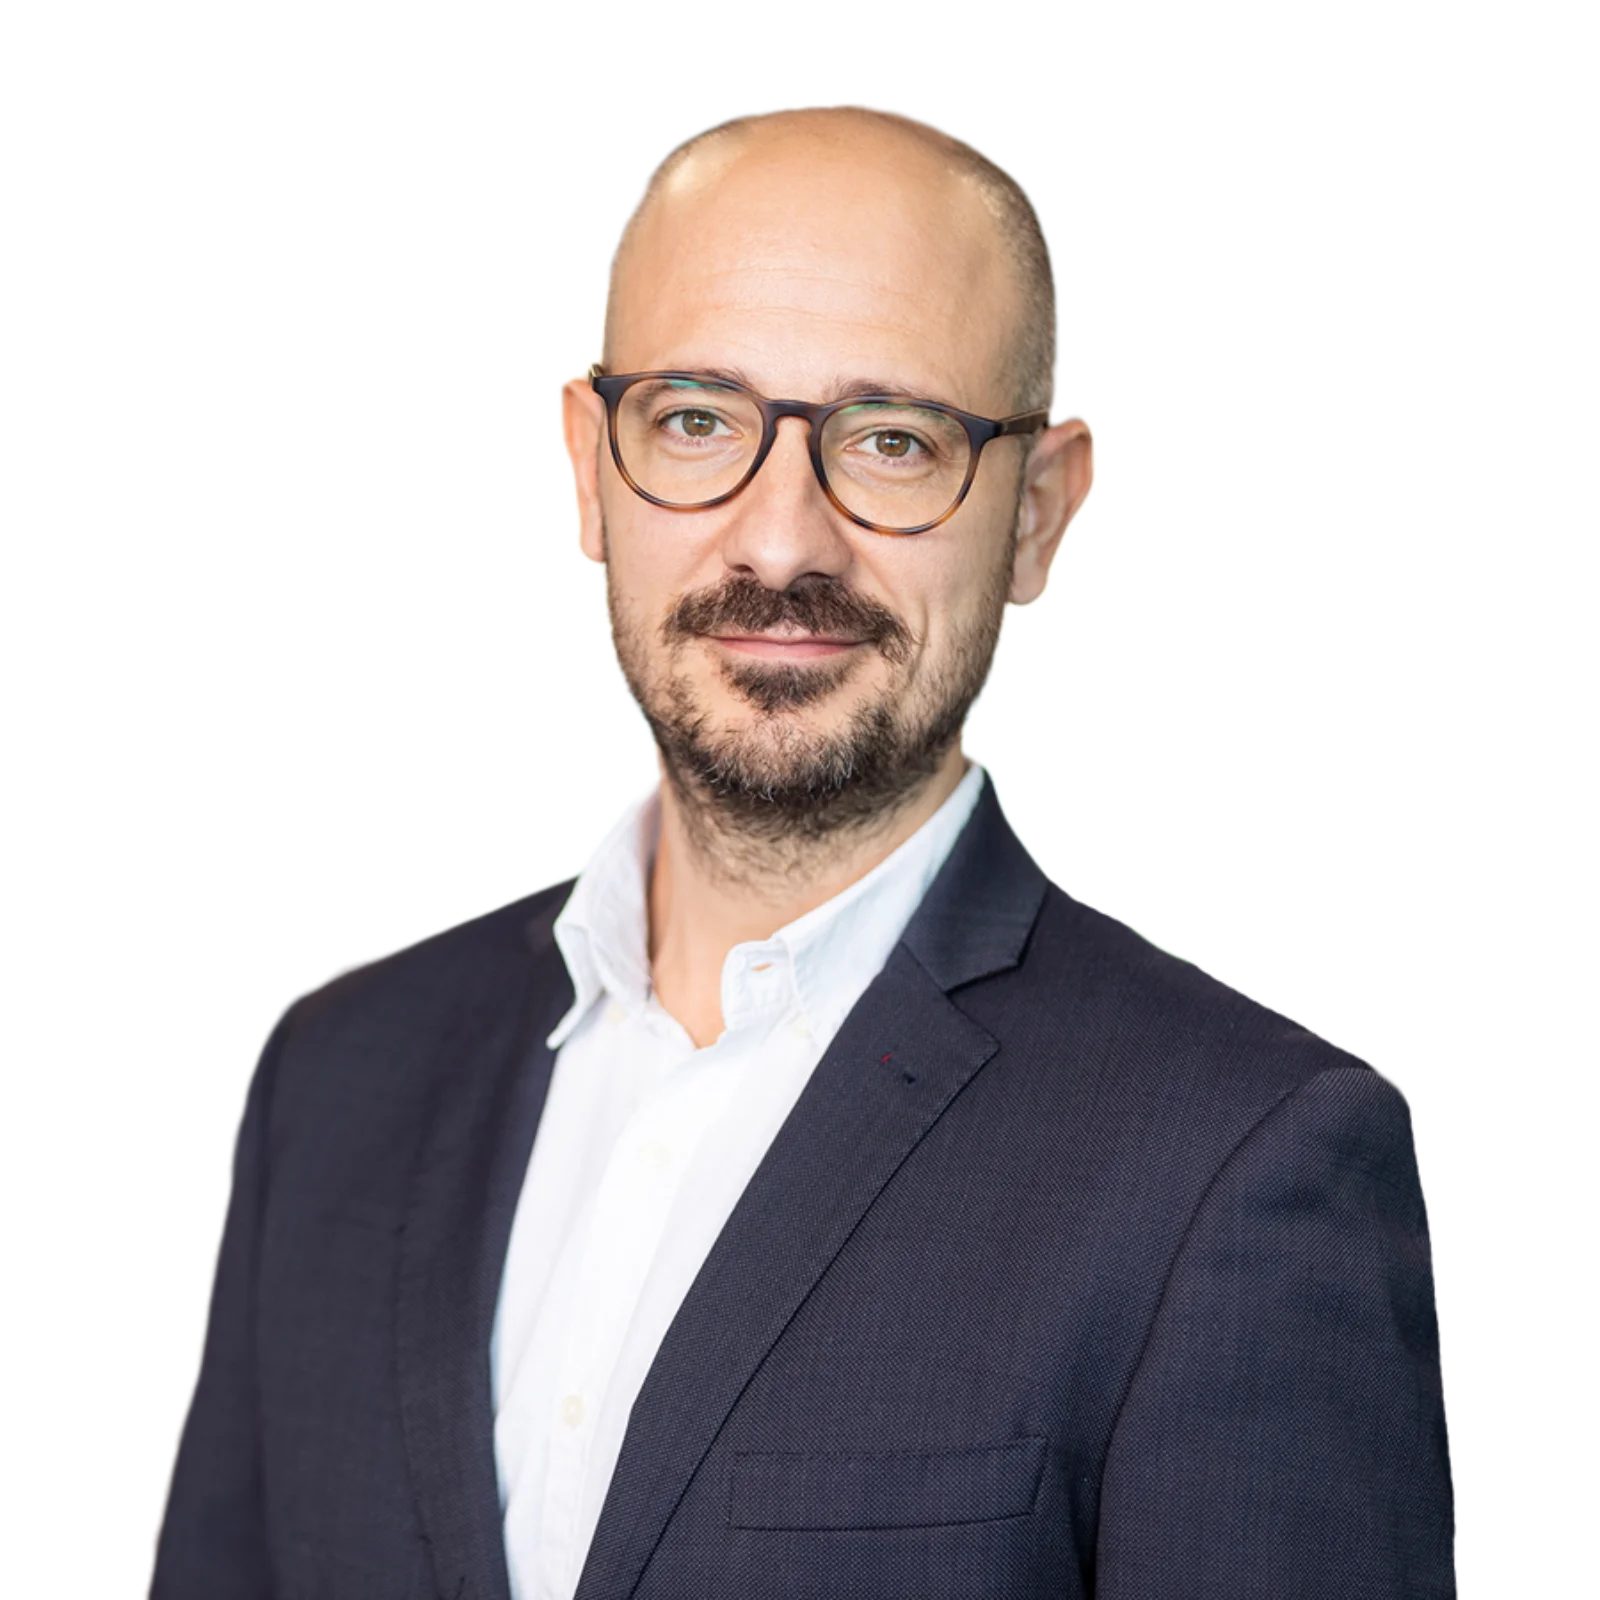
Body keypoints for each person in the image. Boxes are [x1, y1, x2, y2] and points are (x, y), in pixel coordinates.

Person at [149, 103, 1456, 1599]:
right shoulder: (336, 1077)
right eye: (698, 421)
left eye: (892, 441)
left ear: (1039, 513)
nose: (782, 544)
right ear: (588, 464)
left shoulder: (1244, 1160)